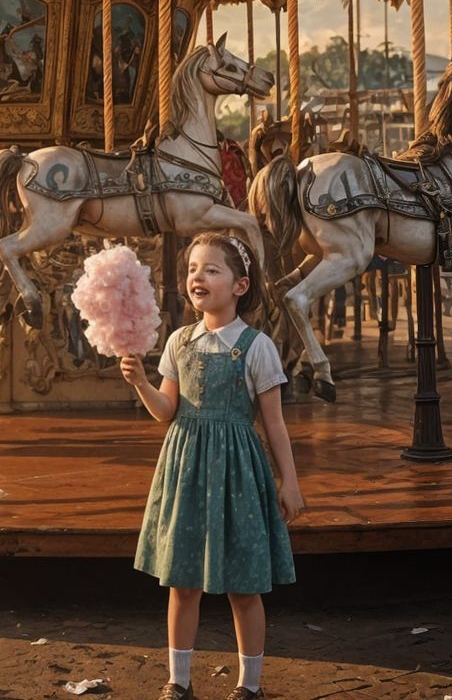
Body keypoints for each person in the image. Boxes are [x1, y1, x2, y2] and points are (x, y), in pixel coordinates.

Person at [121, 231, 303, 700]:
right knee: (182, 582)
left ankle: (250, 685)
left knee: (243, 586)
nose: (197, 277)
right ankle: (178, 681)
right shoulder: (180, 341)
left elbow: (275, 423)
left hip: (239, 472)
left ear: (240, 285)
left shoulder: (256, 346)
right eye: (192, 269)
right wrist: (141, 382)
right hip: (186, 466)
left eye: (211, 269)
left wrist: (291, 483)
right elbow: (166, 410)